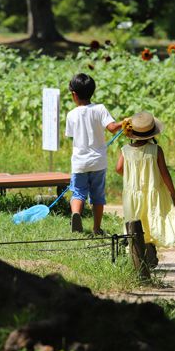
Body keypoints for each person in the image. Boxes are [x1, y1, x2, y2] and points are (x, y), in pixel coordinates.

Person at [115, 111, 175, 268]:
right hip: (152, 194)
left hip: (132, 194)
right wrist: (172, 191)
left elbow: (118, 168)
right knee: (150, 221)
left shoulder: (125, 150)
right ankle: (150, 255)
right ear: (151, 133)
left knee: (135, 222)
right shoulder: (156, 150)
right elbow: (164, 173)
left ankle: (138, 258)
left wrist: (131, 178)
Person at [65, 73, 121, 235]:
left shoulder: (71, 115)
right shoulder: (100, 109)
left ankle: (76, 214)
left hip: (79, 162)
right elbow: (112, 128)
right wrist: (123, 123)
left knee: (78, 192)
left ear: (74, 95)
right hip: (98, 161)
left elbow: (71, 135)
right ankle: (97, 228)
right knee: (97, 196)